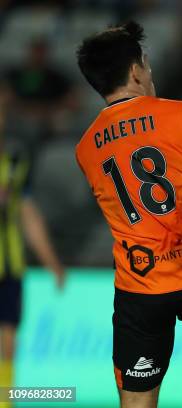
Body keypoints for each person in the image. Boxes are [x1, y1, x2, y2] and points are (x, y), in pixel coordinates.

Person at [74, 22, 182, 408]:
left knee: (137, 398)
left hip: (142, 285)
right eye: (146, 64)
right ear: (135, 71)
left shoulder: (86, 147)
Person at [0, 107, 65, 408]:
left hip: (9, 264)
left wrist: (51, 261)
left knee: (8, 335)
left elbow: (27, 212)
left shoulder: (14, 162)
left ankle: (4, 400)